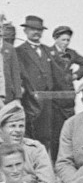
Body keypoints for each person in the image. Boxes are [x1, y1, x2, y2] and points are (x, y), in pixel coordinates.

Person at [12, 15, 57, 149]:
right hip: (30, 101)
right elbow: (18, 75)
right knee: (31, 135)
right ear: (25, 31)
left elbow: (57, 74)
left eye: (39, 30)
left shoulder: (48, 51)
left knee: (47, 135)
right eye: (32, 29)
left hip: (48, 102)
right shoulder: (19, 51)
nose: (36, 32)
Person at [0, 100, 57, 183]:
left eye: (21, 126)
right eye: (12, 126)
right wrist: (22, 182)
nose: (18, 130)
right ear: (1, 129)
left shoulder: (36, 149)